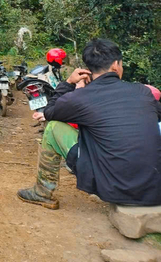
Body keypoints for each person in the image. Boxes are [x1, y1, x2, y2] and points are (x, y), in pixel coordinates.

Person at [18, 38, 161, 210]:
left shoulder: (80, 98)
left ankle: (42, 192)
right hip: (155, 189)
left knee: (54, 126)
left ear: (88, 69)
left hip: (112, 188)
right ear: (116, 66)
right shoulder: (143, 92)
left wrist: (69, 83)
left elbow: (49, 111)